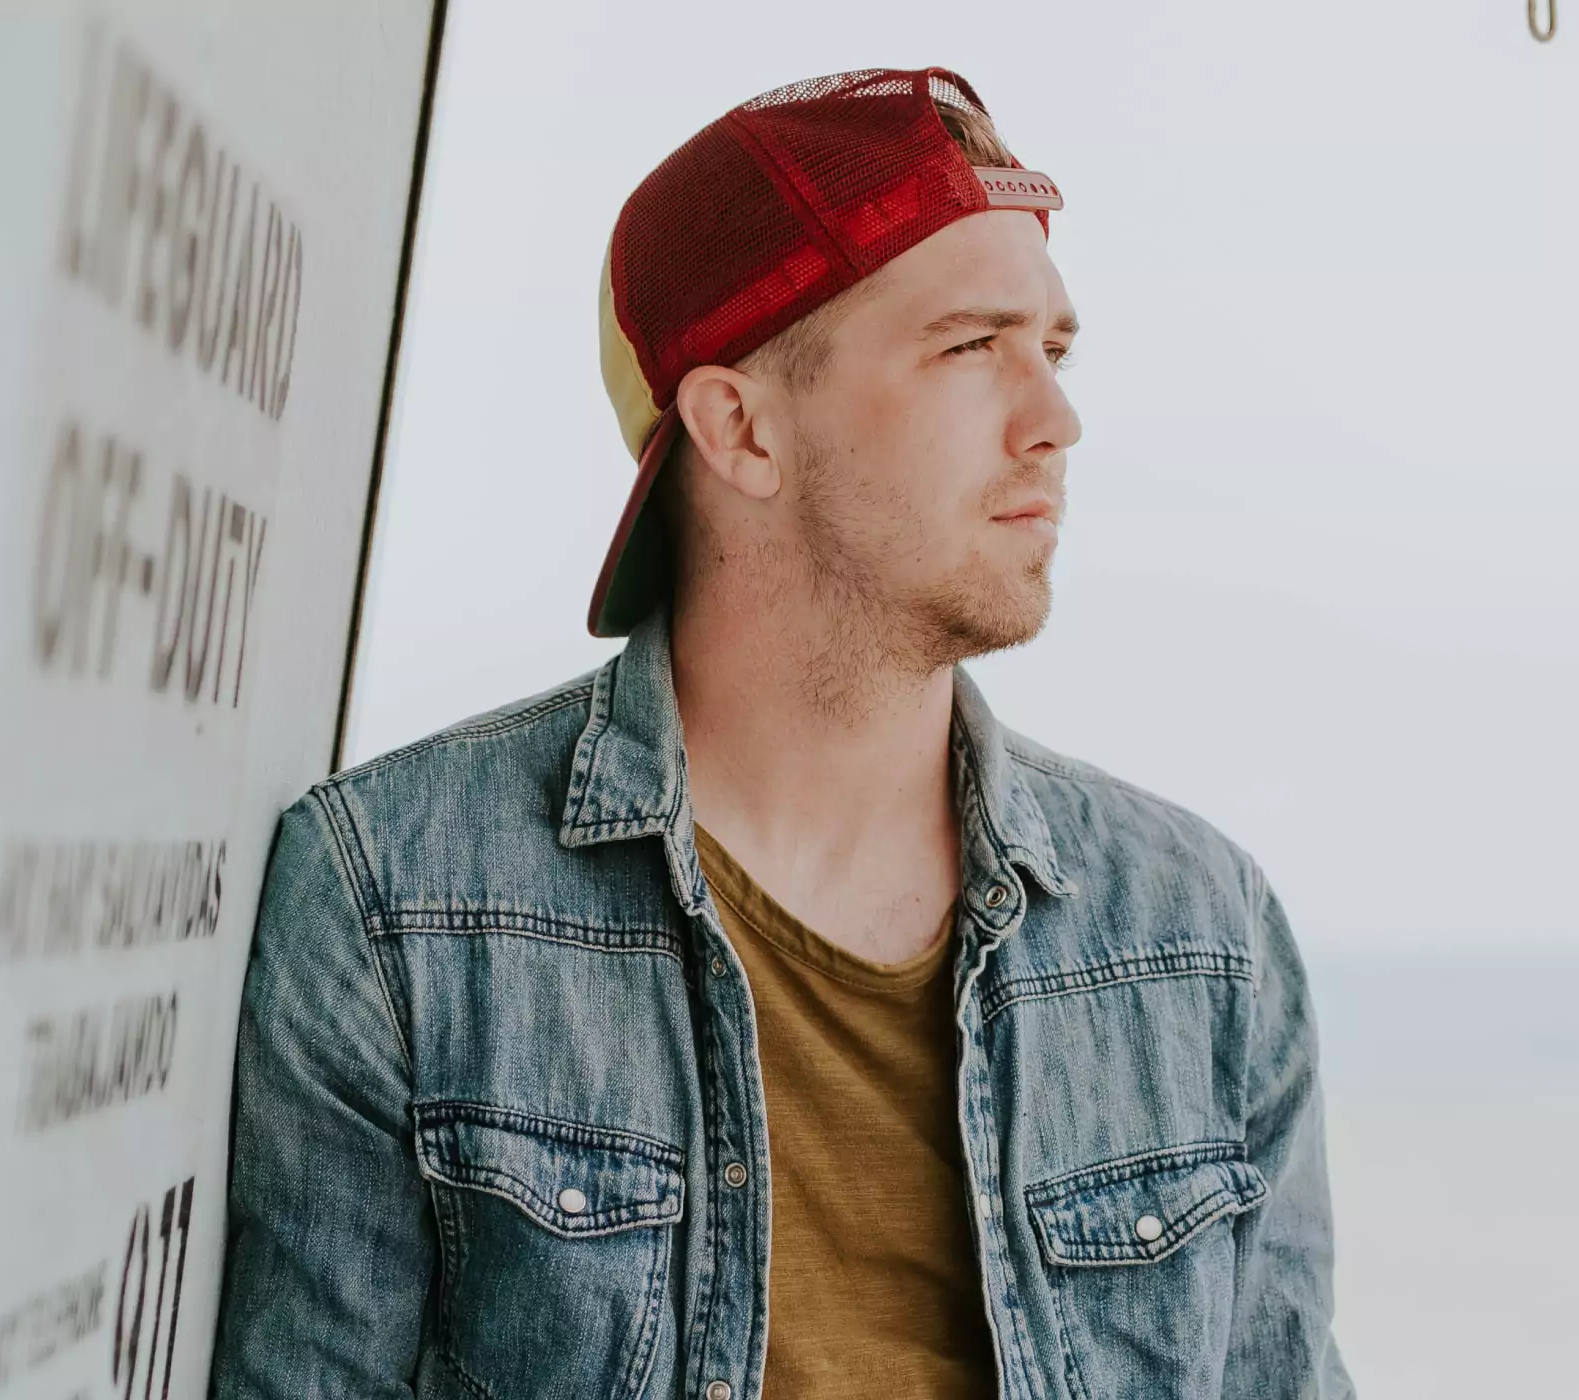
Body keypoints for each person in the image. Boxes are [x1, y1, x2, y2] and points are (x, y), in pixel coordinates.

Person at [211, 66, 1352, 1400]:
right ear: (740, 428)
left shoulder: (1203, 936)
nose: (1056, 422)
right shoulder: (395, 906)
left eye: (1054, 351)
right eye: (970, 347)